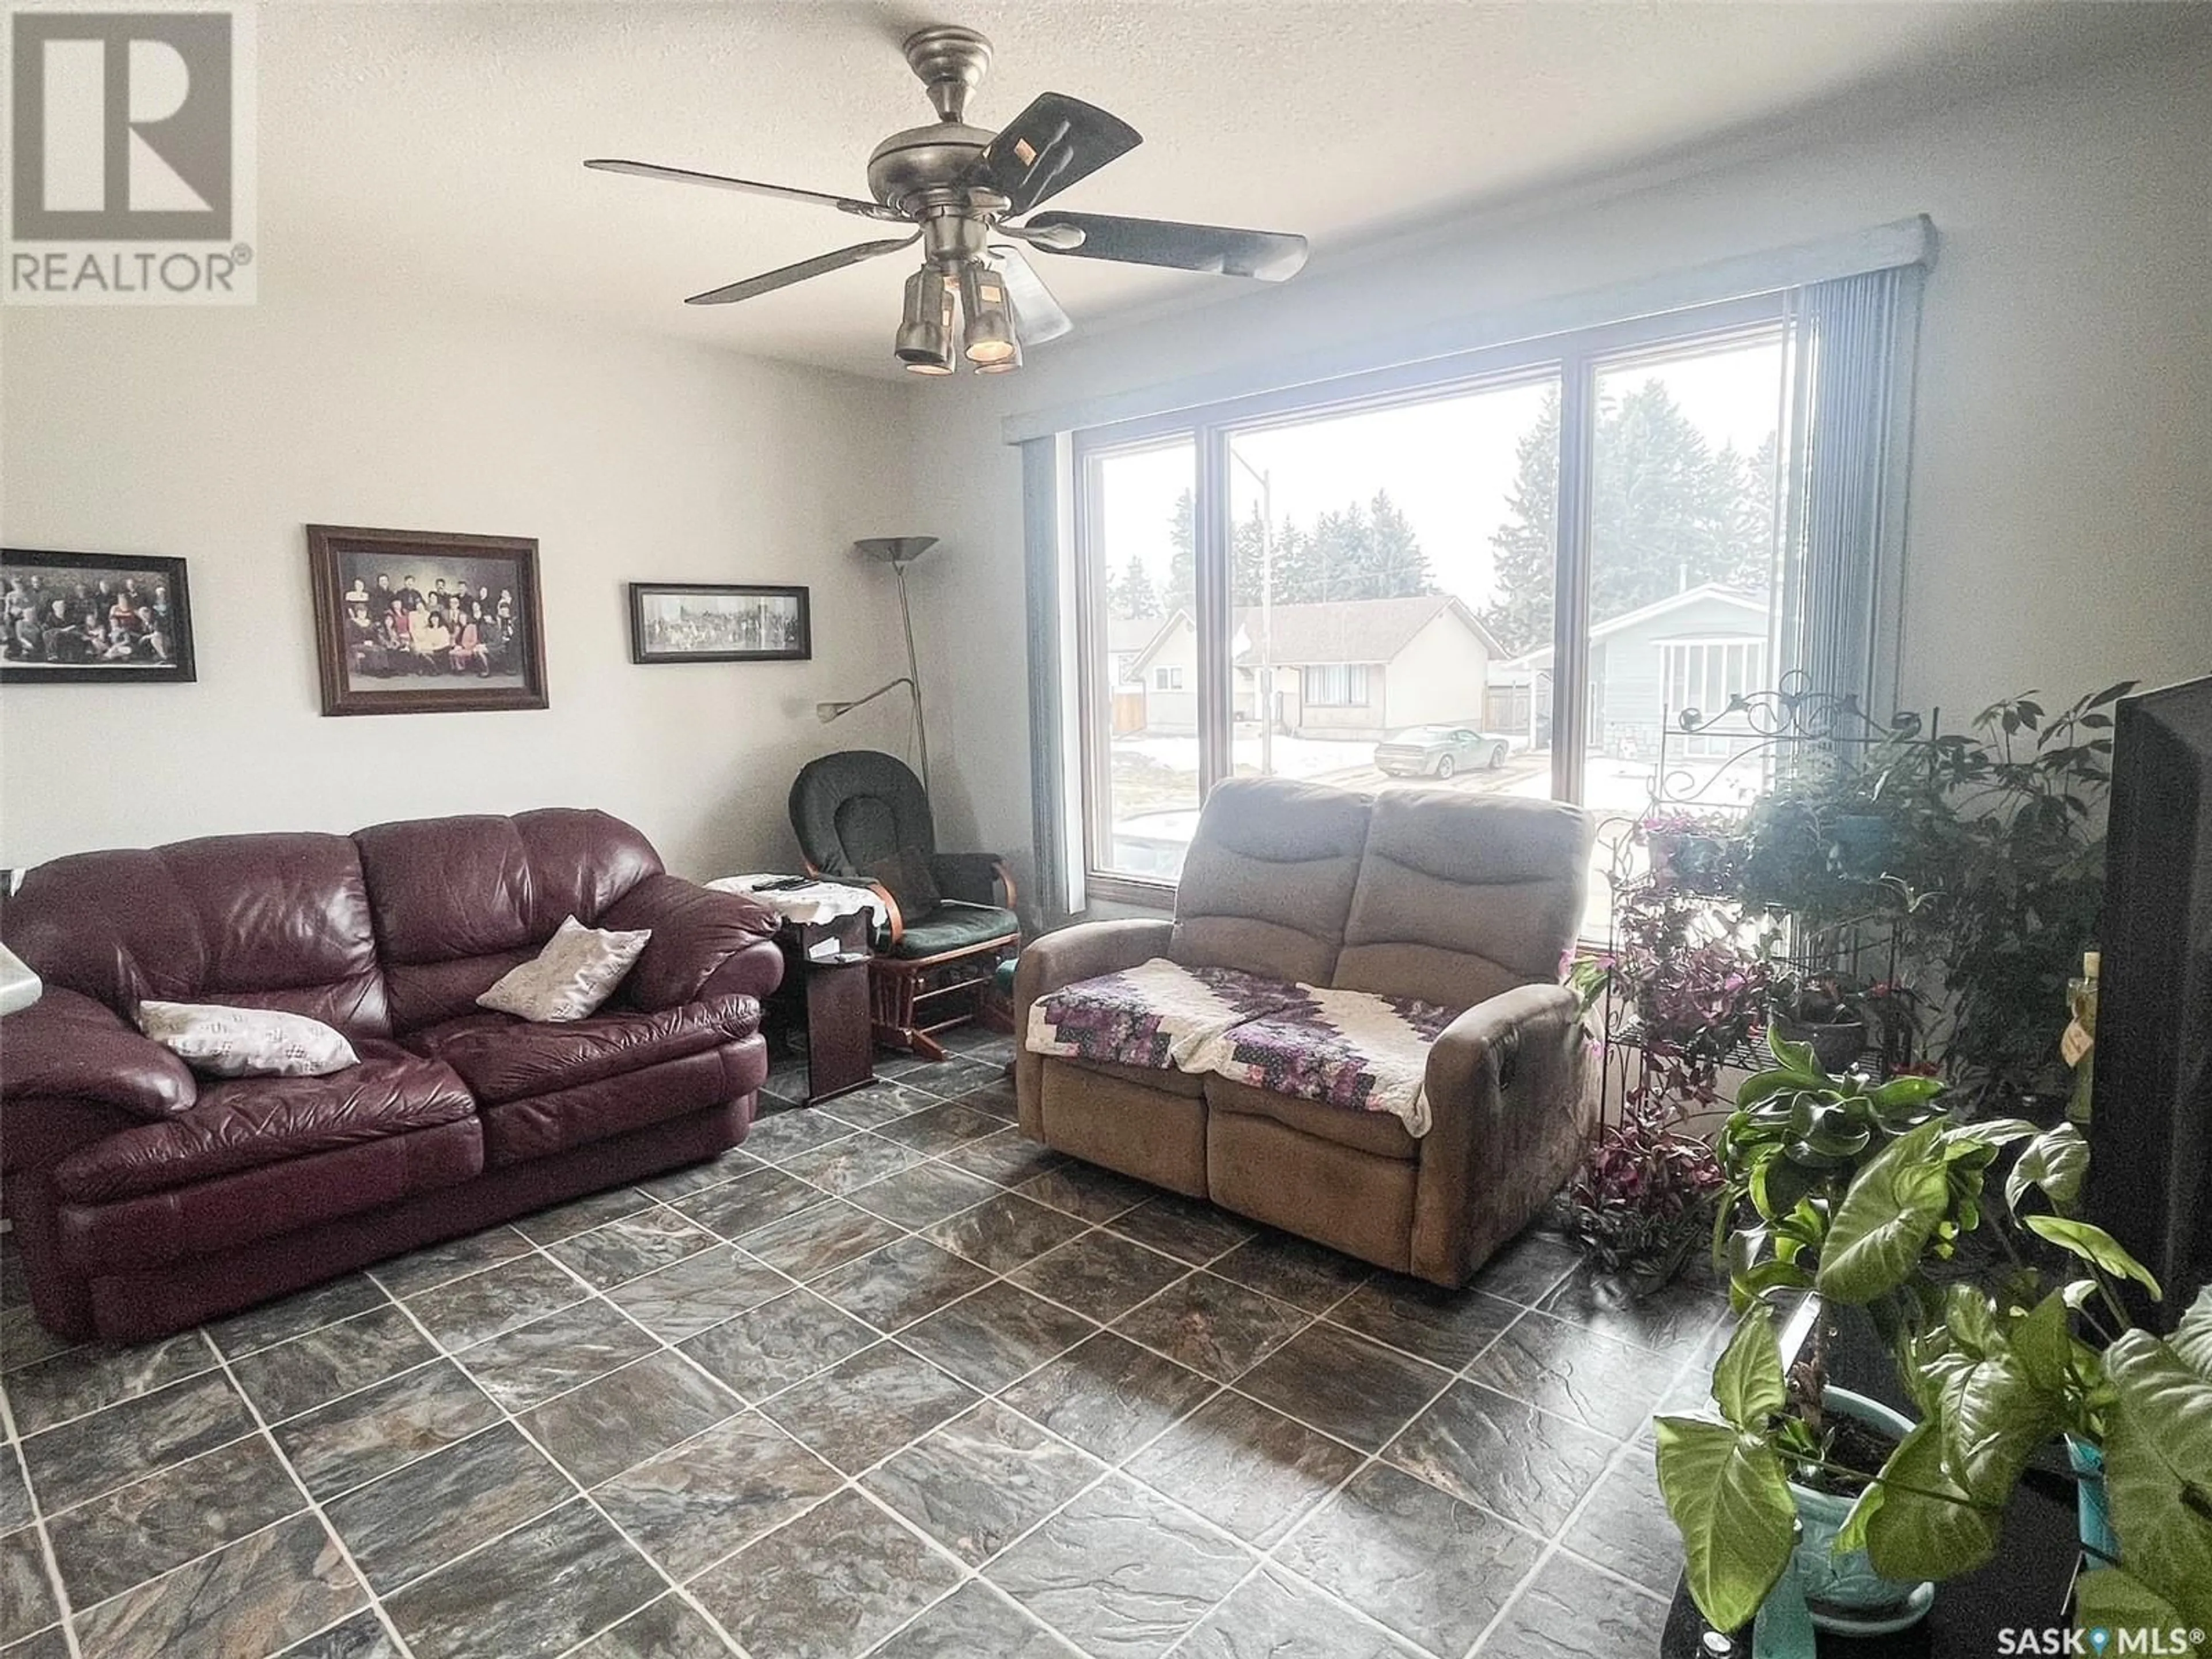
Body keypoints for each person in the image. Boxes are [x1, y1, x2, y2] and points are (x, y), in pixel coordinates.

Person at [412, 605, 452, 669]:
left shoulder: (443, 629)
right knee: (420, 651)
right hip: (431, 648)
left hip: (442, 649)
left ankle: (434, 667)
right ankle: (429, 667)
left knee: (424, 653)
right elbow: (427, 640)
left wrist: (434, 648)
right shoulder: (429, 629)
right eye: (432, 618)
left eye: (436, 618)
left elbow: (446, 643)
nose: (434, 620)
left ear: (439, 619)